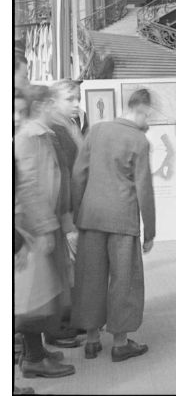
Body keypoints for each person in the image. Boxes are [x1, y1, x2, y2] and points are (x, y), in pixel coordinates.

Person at [71, 89, 156, 362]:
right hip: (122, 219)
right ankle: (120, 342)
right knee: (125, 280)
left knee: (90, 277)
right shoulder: (139, 140)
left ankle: (93, 339)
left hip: (91, 216)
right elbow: (144, 189)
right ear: (141, 110)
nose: (150, 121)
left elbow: (78, 174)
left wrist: (77, 212)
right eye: (150, 115)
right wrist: (150, 232)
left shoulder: (96, 130)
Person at [15, 85, 75, 378]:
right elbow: (26, 188)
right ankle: (33, 359)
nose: (57, 109)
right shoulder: (27, 138)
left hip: (44, 221)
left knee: (42, 292)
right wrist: (44, 227)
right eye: (53, 104)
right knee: (32, 296)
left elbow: (54, 179)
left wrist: (60, 217)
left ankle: (35, 352)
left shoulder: (43, 135)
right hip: (30, 227)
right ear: (42, 105)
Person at [43, 80, 84, 349]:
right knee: (60, 268)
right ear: (53, 100)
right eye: (70, 99)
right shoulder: (53, 129)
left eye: (77, 98)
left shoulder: (69, 125)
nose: (77, 103)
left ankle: (70, 318)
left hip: (72, 205)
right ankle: (58, 325)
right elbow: (59, 174)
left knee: (70, 266)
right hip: (61, 207)